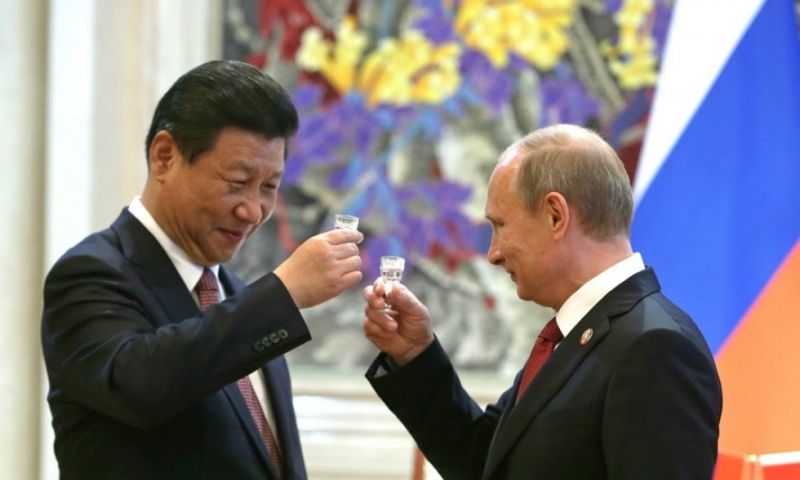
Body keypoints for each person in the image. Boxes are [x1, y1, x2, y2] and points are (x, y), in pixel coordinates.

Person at [41, 60, 364, 480]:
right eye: (237, 182)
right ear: (164, 157)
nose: (253, 211)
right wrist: (284, 293)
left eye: (269, 187)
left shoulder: (236, 293)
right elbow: (140, 388)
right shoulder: (91, 273)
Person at [362, 124, 722, 479]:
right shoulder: (575, 334)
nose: (493, 253)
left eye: (500, 225)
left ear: (555, 216)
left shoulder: (654, 348)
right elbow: (486, 462)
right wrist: (415, 354)